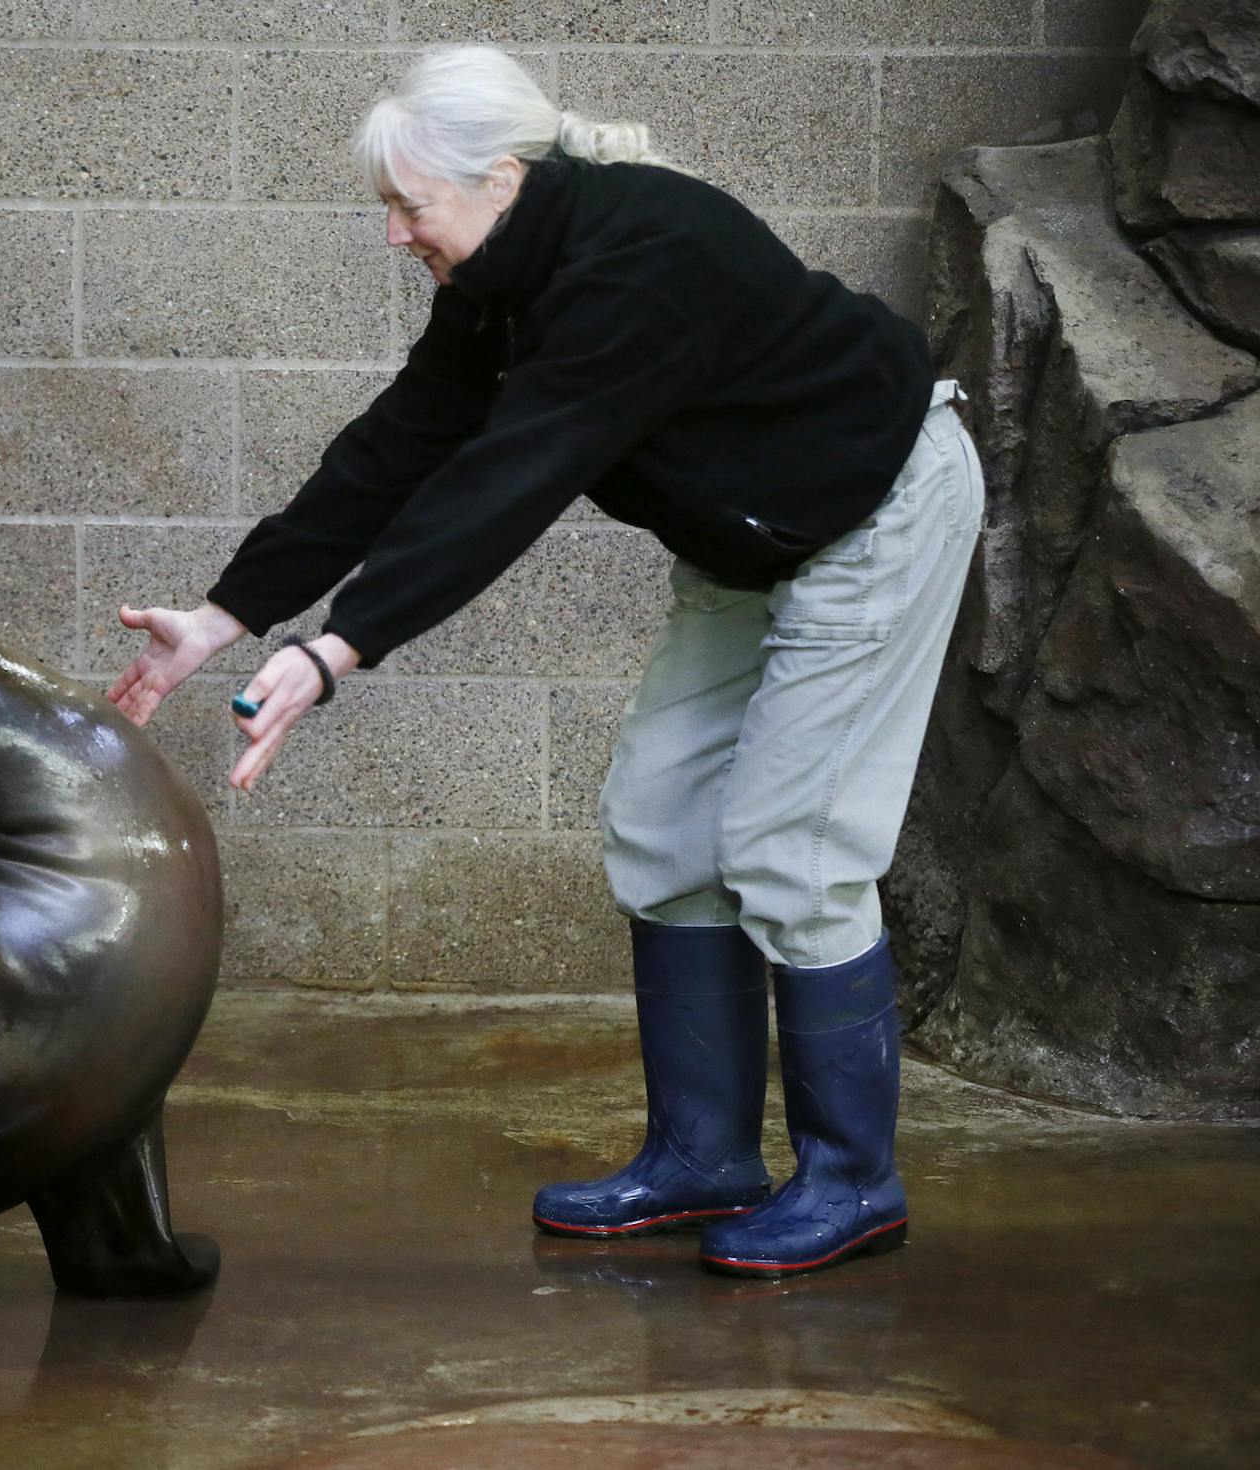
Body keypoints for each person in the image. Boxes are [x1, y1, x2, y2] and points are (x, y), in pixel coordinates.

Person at [104, 45, 984, 1280]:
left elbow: (512, 477)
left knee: (795, 847)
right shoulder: (502, 280)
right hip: (752, 545)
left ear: (501, 180)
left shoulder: (644, 260)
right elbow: (404, 442)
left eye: (409, 208)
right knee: (662, 825)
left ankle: (853, 1181)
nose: (395, 235)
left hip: (876, 513)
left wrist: (336, 650)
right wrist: (229, 615)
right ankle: (703, 1159)